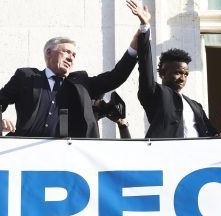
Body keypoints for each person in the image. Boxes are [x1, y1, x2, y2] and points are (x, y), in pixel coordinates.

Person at [0, 30, 139, 138]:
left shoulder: (81, 83)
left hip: (65, 157)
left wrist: (133, 49)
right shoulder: (26, 77)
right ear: (49, 52)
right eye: (67, 52)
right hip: (22, 153)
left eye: (74, 55)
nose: (71, 58)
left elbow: (114, 77)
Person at [127, 0, 218, 138]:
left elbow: (213, 134)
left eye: (186, 74)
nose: (183, 78)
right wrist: (145, 28)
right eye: (178, 72)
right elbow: (145, 67)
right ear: (163, 72)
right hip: (168, 156)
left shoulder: (195, 106)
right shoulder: (154, 93)